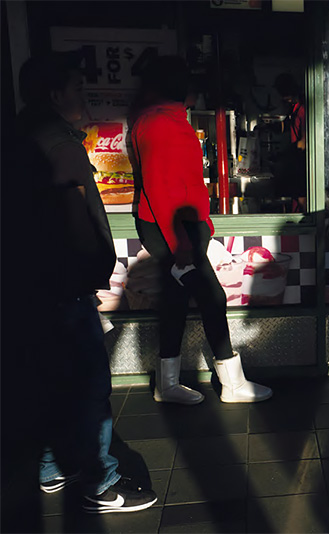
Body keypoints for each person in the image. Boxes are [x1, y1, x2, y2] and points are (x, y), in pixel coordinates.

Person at [11, 52, 157, 514]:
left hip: (29, 284)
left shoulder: (16, 135)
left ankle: (52, 467)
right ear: (56, 94)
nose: (84, 98)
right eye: (78, 88)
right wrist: (90, 274)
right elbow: (77, 222)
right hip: (63, 287)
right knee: (91, 386)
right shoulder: (61, 146)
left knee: (52, 379)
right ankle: (102, 483)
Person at [128, 56, 272, 404]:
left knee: (176, 302)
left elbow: (176, 182)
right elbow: (161, 188)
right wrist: (181, 243)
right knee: (212, 297)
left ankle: (168, 384)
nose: (196, 89)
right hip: (174, 232)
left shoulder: (164, 118)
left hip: (179, 228)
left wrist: (200, 226)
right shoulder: (160, 122)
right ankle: (232, 383)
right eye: (189, 82)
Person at [273, 72, 306, 212]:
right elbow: (286, 125)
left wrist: (282, 155)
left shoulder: (303, 110)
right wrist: (266, 127)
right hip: (295, 164)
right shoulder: (294, 108)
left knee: (301, 199)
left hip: (302, 164)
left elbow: (304, 143)